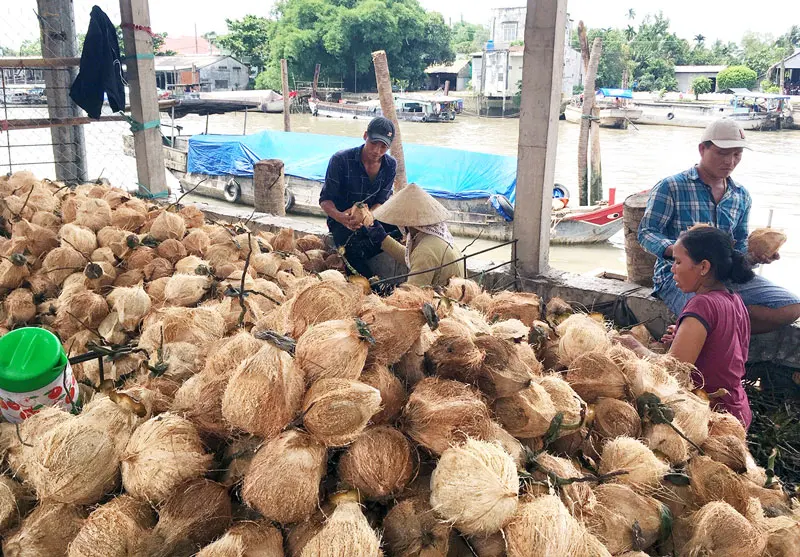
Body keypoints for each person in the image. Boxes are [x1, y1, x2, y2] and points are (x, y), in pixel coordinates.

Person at [638, 118, 800, 333]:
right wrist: (679, 251)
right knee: (711, 311)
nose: (730, 162)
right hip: (678, 275)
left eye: (736, 154)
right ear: (702, 149)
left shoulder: (741, 195)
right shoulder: (671, 186)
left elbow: (740, 243)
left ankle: (725, 324)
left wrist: (753, 256)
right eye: (722, 153)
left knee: (791, 306)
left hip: (725, 273)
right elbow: (647, 233)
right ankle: (718, 325)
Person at [618, 227, 754, 428]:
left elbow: (674, 370)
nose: (673, 268)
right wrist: (682, 336)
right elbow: (720, 347)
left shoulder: (702, 304)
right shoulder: (734, 300)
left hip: (709, 413)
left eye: (678, 262)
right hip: (737, 409)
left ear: (704, 267)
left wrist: (635, 347)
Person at [319, 116, 401, 278]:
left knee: (400, 229)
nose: (377, 151)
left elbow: (381, 201)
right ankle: (371, 284)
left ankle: (363, 249)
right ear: (365, 136)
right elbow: (325, 200)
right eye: (373, 143)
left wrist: (368, 217)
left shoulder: (390, 165)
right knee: (350, 248)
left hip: (372, 216)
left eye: (383, 146)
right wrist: (341, 217)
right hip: (343, 220)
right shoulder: (341, 160)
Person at [372, 183, 465, 287]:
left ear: (408, 225)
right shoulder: (437, 238)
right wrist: (382, 237)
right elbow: (411, 257)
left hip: (444, 299)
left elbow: (411, 295)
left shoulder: (425, 251)